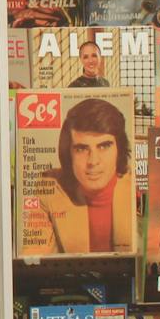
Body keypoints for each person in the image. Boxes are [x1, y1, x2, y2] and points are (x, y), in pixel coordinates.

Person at [45, 96, 133, 254]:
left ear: (119, 149)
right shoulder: (46, 191)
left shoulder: (139, 189)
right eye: (81, 149)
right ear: (68, 154)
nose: (93, 161)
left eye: (104, 146)